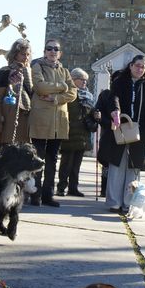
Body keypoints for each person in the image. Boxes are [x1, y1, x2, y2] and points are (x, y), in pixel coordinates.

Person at [97, 56, 145, 212]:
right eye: (137, 66)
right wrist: (115, 112)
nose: (140, 69)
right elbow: (113, 98)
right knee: (117, 165)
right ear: (130, 66)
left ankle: (129, 202)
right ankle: (114, 201)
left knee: (133, 168)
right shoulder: (119, 82)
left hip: (139, 133)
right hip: (120, 129)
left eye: (143, 67)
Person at [28, 39, 77, 207]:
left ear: (60, 53)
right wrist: (62, 86)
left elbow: (73, 93)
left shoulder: (65, 70)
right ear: (44, 51)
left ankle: (48, 195)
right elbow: (40, 87)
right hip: (41, 121)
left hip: (59, 123)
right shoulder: (37, 67)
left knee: (52, 160)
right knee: (38, 159)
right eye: (49, 49)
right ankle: (35, 194)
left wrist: (56, 97)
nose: (52, 51)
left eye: (56, 49)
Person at [57, 67, 96, 197]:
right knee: (66, 163)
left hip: (83, 134)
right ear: (73, 80)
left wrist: (95, 116)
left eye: (86, 80)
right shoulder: (68, 94)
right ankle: (61, 187)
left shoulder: (89, 96)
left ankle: (73, 188)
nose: (84, 82)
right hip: (69, 132)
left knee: (76, 165)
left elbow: (89, 113)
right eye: (81, 79)